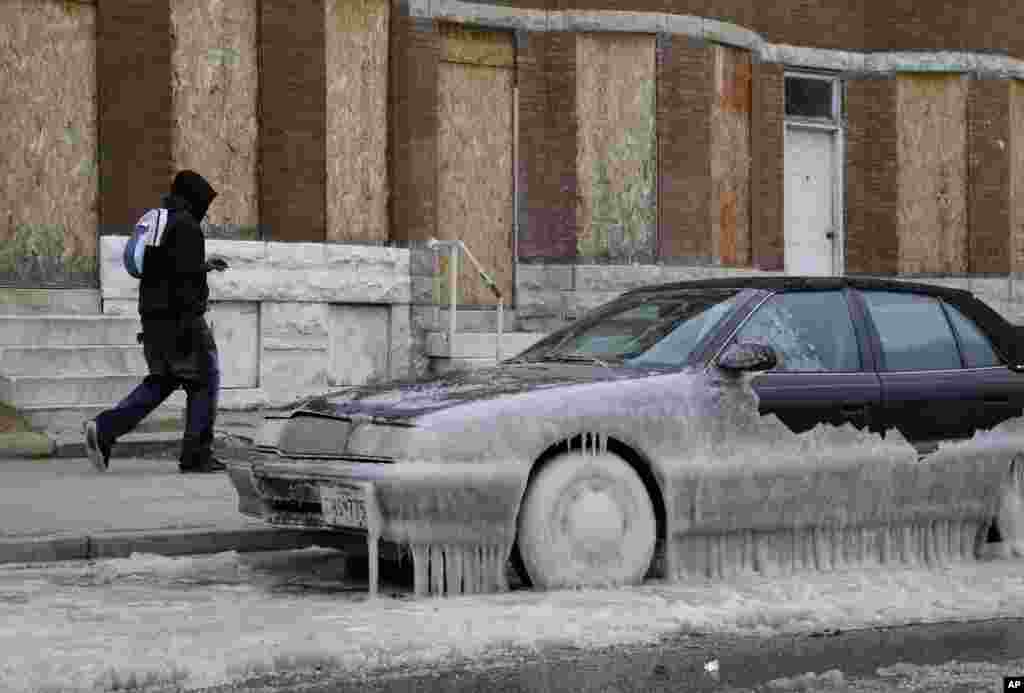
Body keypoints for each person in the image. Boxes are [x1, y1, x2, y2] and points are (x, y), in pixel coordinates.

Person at [84, 170, 229, 473]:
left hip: (153, 320)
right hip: (183, 321)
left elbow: (165, 269)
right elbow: (182, 278)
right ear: (193, 198)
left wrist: (203, 265)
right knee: (205, 379)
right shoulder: (187, 226)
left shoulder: (160, 222)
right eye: (204, 201)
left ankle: (105, 428)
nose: (206, 208)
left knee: (162, 381)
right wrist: (195, 313)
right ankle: (196, 455)